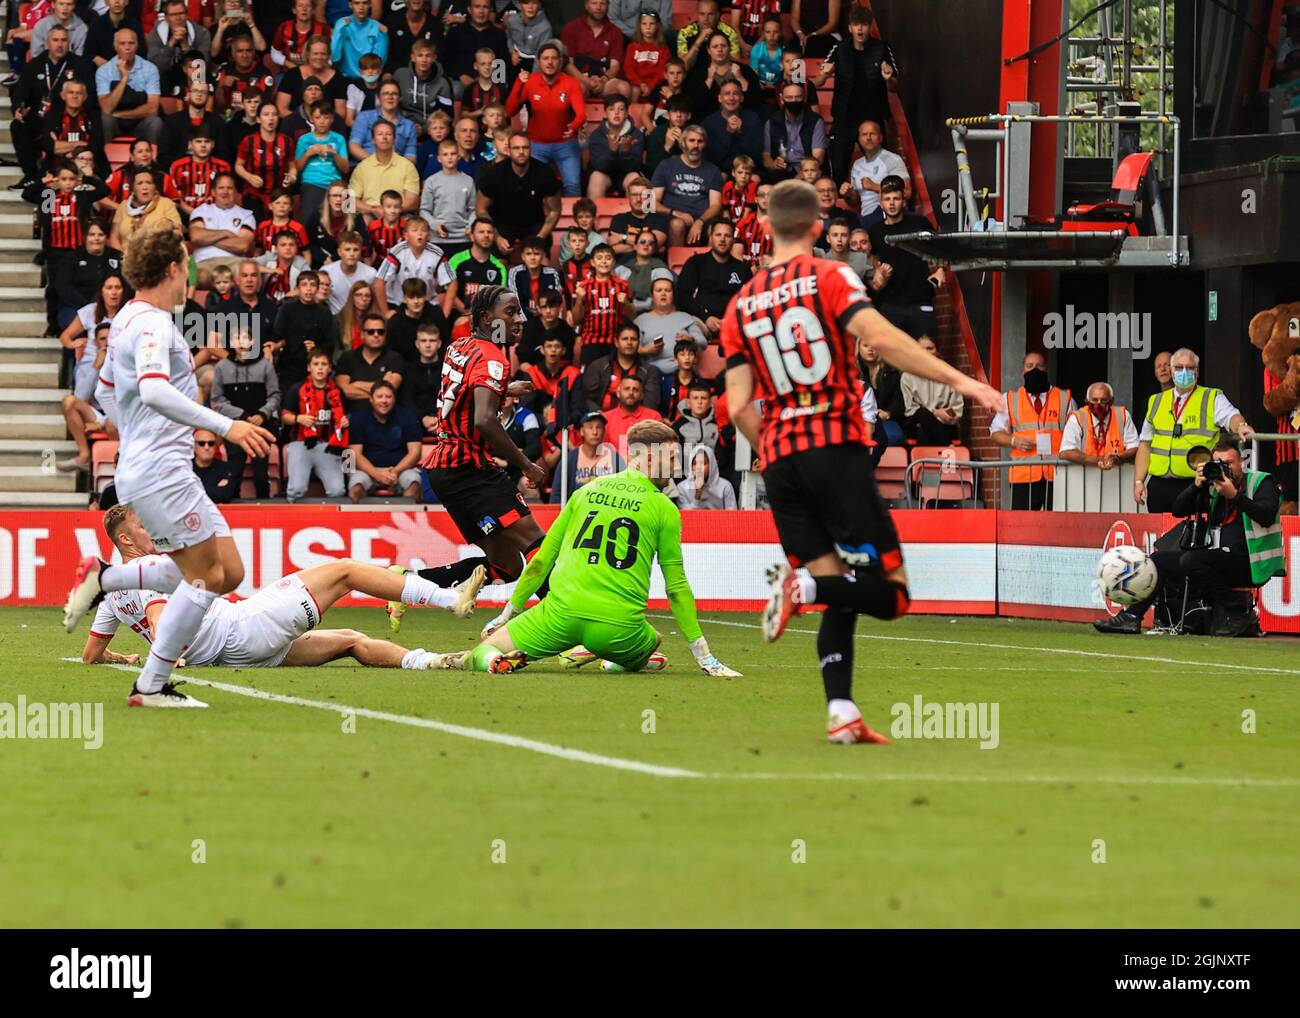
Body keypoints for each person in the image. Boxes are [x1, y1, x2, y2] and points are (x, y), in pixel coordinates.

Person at [723, 179, 1003, 743]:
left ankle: (841, 712)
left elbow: (735, 408)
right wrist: (967, 384)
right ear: (816, 228)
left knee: (840, 587)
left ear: (764, 227)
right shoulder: (827, 275)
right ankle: (801, 589)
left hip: (780, 463)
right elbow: (884, 339)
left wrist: (776, 447)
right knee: (892, 594)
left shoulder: (740, 303)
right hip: (833, 450)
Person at [64, 227, 275, 707]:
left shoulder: (125, 320)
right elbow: (155, 390)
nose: (191, 277)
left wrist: (134, 431)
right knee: (202, 578)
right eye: (188, 266)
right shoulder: (154, 324)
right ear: (174, 268)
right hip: (161, 472)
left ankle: (106, 578)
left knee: (229, 573)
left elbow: (103, 391)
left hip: (155, 468)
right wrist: (228, 427)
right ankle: (152, 685)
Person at [427, 420, 741, 677]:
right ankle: (610, 659)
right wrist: (704, 656)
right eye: (671, 458)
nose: (675, 467)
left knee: (484, 649)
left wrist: (507, 614)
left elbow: (541, 561)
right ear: (648, 457)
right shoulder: (665, 508)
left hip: (559, 616)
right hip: (617, 626)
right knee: (652, 641)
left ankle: (492, 663)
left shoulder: (586, 491)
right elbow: (676, 588)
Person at [80, 505, 488, 675]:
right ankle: (449, 598)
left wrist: (122, 655)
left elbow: (91, 654)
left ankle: (432, 661)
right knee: (345, 570)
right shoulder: (146, 570)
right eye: (142, 524)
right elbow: (160, 619)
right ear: (127, 541)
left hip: (239, 656)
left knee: (349, 641)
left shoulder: (114, 589)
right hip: (246, 628)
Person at [421, 286, 549, 585]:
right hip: (468, 468)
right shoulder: (494, 359)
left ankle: (406, 582)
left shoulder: (459, 346)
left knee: (506, 566)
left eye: (519, 311)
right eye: (510, 312)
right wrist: (525, 464)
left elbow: (462, 392)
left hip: (444, 470)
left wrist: (503, 388)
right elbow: (485, 420)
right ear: (485, 317)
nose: (520, 319)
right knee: (538, 546)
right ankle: (561, 623)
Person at [1096, 439, 1284, 638]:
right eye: (1218, 464)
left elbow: (1266, 514)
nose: (1224, 469)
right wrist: (1196, 486)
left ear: (1241, 463)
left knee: (1191, 560)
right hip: (1218, 560)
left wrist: (1235, 495)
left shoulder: (1262, 482)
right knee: (1159, 560)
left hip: (1251, 562)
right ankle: (1131, 616)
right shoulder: (1214, 488)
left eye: (1229, 463)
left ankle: (1238, 611)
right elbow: (1178, 510)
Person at [1133, 348, 1254, 513]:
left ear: (1197, 372)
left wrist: (1241, 425)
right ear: (1172, 370)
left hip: (1195, 484)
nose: (1184, 372)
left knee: (1193, 536)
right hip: (1159, 485)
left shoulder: (1211, 397)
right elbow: (1145, 444)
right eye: (1179, 367)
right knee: (1161, 537)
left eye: (1189, 368)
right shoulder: (1156, 401)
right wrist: (1139, 481)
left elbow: (1232, 416)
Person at [812, 7, 898, 182]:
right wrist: (824, 74)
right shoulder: (839, 49)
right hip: (844, 118)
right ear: (850, 28)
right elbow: (818, 82)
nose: (860, 29)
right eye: (856, 25)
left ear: (869, 27)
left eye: (864, 25)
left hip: (873, 118)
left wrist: (888, 79)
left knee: (882, 169)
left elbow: (894, 87)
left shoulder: (881, 49)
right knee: (837, 168)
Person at [988, 351, 1075, 511]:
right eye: (1030, 366)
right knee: (1022, 529)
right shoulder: (1010, 399)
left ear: (1046, 369)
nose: (1034, 370)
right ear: (1023, 370)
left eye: (1039, 366)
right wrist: (1014, 441)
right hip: (1023, 476)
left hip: (1058, 475)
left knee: (1059, 527)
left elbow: (1077, 434)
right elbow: (995, 432)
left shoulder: (1064, 398)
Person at [210, 329, 280, 499]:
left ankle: (264, 507)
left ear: (252, 342)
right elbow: (217, 400)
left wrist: (263, 414)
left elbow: (275, 395)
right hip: (234, 426)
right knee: (234, 471)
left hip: (260, 426)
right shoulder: (222, 367)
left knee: (261, 474)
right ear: (231, 343)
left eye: (245, 338)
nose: (241, 342)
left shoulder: (265, 365)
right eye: (236, 338)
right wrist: (241, 415)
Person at [475, 132, 563, 257]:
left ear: (530, 149)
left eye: (525, 147)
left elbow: (555, 210)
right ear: (508, 150)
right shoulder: (494, 174)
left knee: (541, 256)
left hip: (534, 223)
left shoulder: (545, 173)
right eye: (516, 148)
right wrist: (497, 237)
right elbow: (481, 209)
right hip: (502, 224)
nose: (521, 152)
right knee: (497, 264)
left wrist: (540, 238)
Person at [281, 349, 349, 502]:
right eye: (316, 364)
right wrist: (298, 418)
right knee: (297, 489)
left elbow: (347, 416)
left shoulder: (338, 392)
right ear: (308, 367)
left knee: (338, 490)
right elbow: (284, 416)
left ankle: (332, 522)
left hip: (328, 446)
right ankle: (291, 519)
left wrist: (345, 421)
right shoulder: (296, 389)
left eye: (324, 364)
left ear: (330, 368)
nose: (320, 368)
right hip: (301, 444)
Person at [346, 381, 423, 501]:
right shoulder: (358, 418)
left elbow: (415, 452)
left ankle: (404, 520)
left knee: (414, 484)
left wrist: (395, 472)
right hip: (367, 470)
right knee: (355, 489)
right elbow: (354, 454)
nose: (384, 401)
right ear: (371, 399)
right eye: (379, 396)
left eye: (388, 396)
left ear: (394, 399)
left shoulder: (408, 417)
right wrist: (378, 475)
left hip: (400, 470)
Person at [651, 124, 724, 247]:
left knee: (717, 229)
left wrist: (700, 222)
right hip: (672, 218)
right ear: (683, 143)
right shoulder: (666, 165)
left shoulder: (713, 170)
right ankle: (677, 265)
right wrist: (674, 213)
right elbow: (651, 202)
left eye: (700, 141)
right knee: (677, 224)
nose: (695, 146)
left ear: (704, 145)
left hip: (702, 220)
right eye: (691, 141)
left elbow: (716, 206)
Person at [677, 219, 750, 340]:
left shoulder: (743, 268)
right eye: (718, 235)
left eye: (727, 236)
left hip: (734, 324)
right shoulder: (695, 263)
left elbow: (750, 300)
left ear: (733, 240)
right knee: (687, 328)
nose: (722, 239)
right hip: (701, 322)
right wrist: (706, 318)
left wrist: (731, 320)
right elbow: (684, 297)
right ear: (710, 238)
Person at [96, 26, 163, 145]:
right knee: (105, 119)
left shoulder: (150, 69)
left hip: (140, 123)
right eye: (122, 43)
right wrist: (124, 80)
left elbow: (153, 109)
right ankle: (105, 161)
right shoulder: (104, 71)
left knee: (155, 122)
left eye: (131, 43)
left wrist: (121, 115)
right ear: (115, 47)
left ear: (137, 45)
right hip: (115, 124)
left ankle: (153, 162)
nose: (127, 47)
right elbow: (106, 109)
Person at [335, 312, 407, 413]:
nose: (376, 335)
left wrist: (357, 384)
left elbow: (390, 389)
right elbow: (344, 391)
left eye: (381, 332)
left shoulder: (395, 358)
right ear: (362, 334)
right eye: (371, 332)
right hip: (352, 416)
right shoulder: (347, 357)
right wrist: (379, 389)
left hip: (386, 417)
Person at [1059, 382, 1139, 471]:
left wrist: (1117, 458)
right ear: (1087, 402)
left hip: (1116, 479)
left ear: (1111, 401)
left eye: (1103, 400)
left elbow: (1134, 447)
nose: (1099, 404)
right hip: (1084, 480)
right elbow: (1066, 452)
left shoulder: (1122, 415)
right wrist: (1100, 461)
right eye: (1095, 400)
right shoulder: (1077, 418)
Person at [900, 337, 965, 444]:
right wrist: (935, 413)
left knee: (925, 432)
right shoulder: (908, 376)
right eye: (921, 349)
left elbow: (956, 410)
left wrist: (943, 416)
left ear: (937, 351)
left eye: (930, 348)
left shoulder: (950, 374)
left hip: (945, 423)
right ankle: (947, 446)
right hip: (916, 423)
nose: (926, 352)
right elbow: (910, 409)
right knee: (922, 413)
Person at [762, 82, 828, 182]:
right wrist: (773, 164)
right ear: (781, 99)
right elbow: (766, 157)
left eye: (798, 97)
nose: (794, 101)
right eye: (789, 97)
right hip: (780, 172)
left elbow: (818, 158)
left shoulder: (815, 121)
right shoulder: (771, 122)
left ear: (804, 98)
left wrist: (798, 178)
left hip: (807, 172)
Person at [678, 444, 735, 509]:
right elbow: (684, 516)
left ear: (711, 465)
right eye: (695, 463)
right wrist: (697, 496)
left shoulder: (725, 486)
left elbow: (732, 514)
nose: (699, 467)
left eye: (703, 463)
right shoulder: (682, 487)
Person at [191, 427, 235, 503]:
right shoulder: (186, 468)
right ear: (194, 447)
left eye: (211, 443)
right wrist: (215, 489)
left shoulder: (225, 468)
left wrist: (194, 490)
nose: (207, 447)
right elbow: (181, 495)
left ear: (215, 447)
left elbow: (225, 495)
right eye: (202, 443)